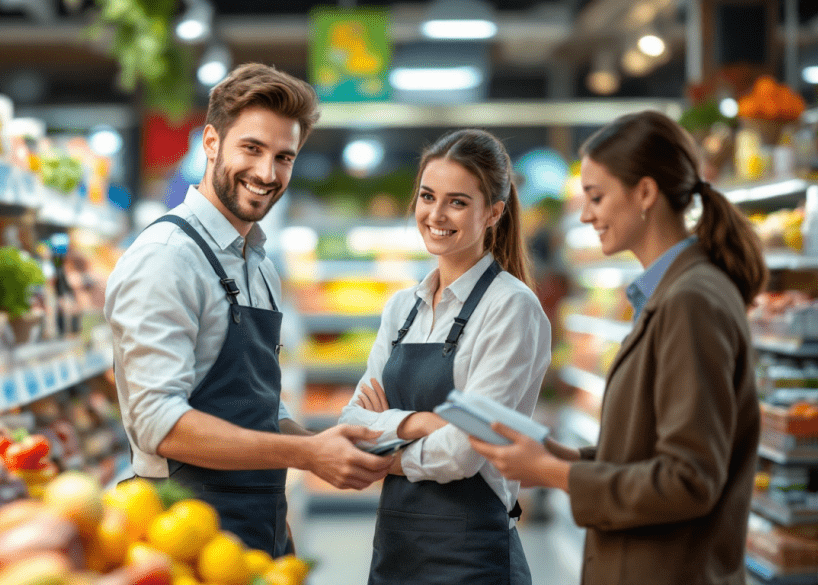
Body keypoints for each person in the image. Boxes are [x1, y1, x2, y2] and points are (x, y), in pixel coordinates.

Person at [104, 63, 393, 557]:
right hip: (183, 532)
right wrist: (306, 454)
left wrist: (326, 442)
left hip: (258, 524)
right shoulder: (167, 257)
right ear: (212, 143)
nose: (266, 173)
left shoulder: (258, 266)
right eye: (252, 149)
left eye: (285, 157)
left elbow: (258, 407)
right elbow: (159, 423)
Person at [471, 110, 766, 585]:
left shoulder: (691, 300)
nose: (585, 214)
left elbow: (687, 480)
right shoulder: (672, 292)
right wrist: (558, 456)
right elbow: (651, 456)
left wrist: (553, 474)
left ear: (645, 193)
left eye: (596, 197)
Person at [338, 128, 551, 585]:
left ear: (493, 212)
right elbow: (351, 424)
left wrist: (388, 452)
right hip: (395, 553)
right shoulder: (401, 308)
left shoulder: (511, 308)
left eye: (457, 201)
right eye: (427, 196)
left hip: (473, 559)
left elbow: (463, 454)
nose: (436, 214)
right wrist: (424, 423)